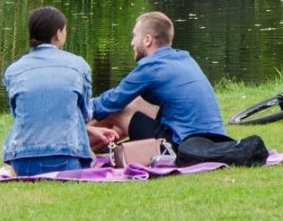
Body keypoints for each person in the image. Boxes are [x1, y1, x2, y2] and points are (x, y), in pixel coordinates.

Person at [88, 11, 227, 150]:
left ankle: (76, 150)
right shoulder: (186, 59)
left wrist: (77, 108)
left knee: (114, 110)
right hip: (214, 141)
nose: (132, 42)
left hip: (183, 147)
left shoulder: (152, 67)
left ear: (147, 40)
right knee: (138, 102)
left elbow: (111, 101)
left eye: (135, 36)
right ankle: (89, 147)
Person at [3, 6, 94, 177]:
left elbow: (18, 114)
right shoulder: (79, 65)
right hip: (66, 159)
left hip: (22, 160)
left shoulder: (14, 70)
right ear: (58, 33)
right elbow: (86, 114)